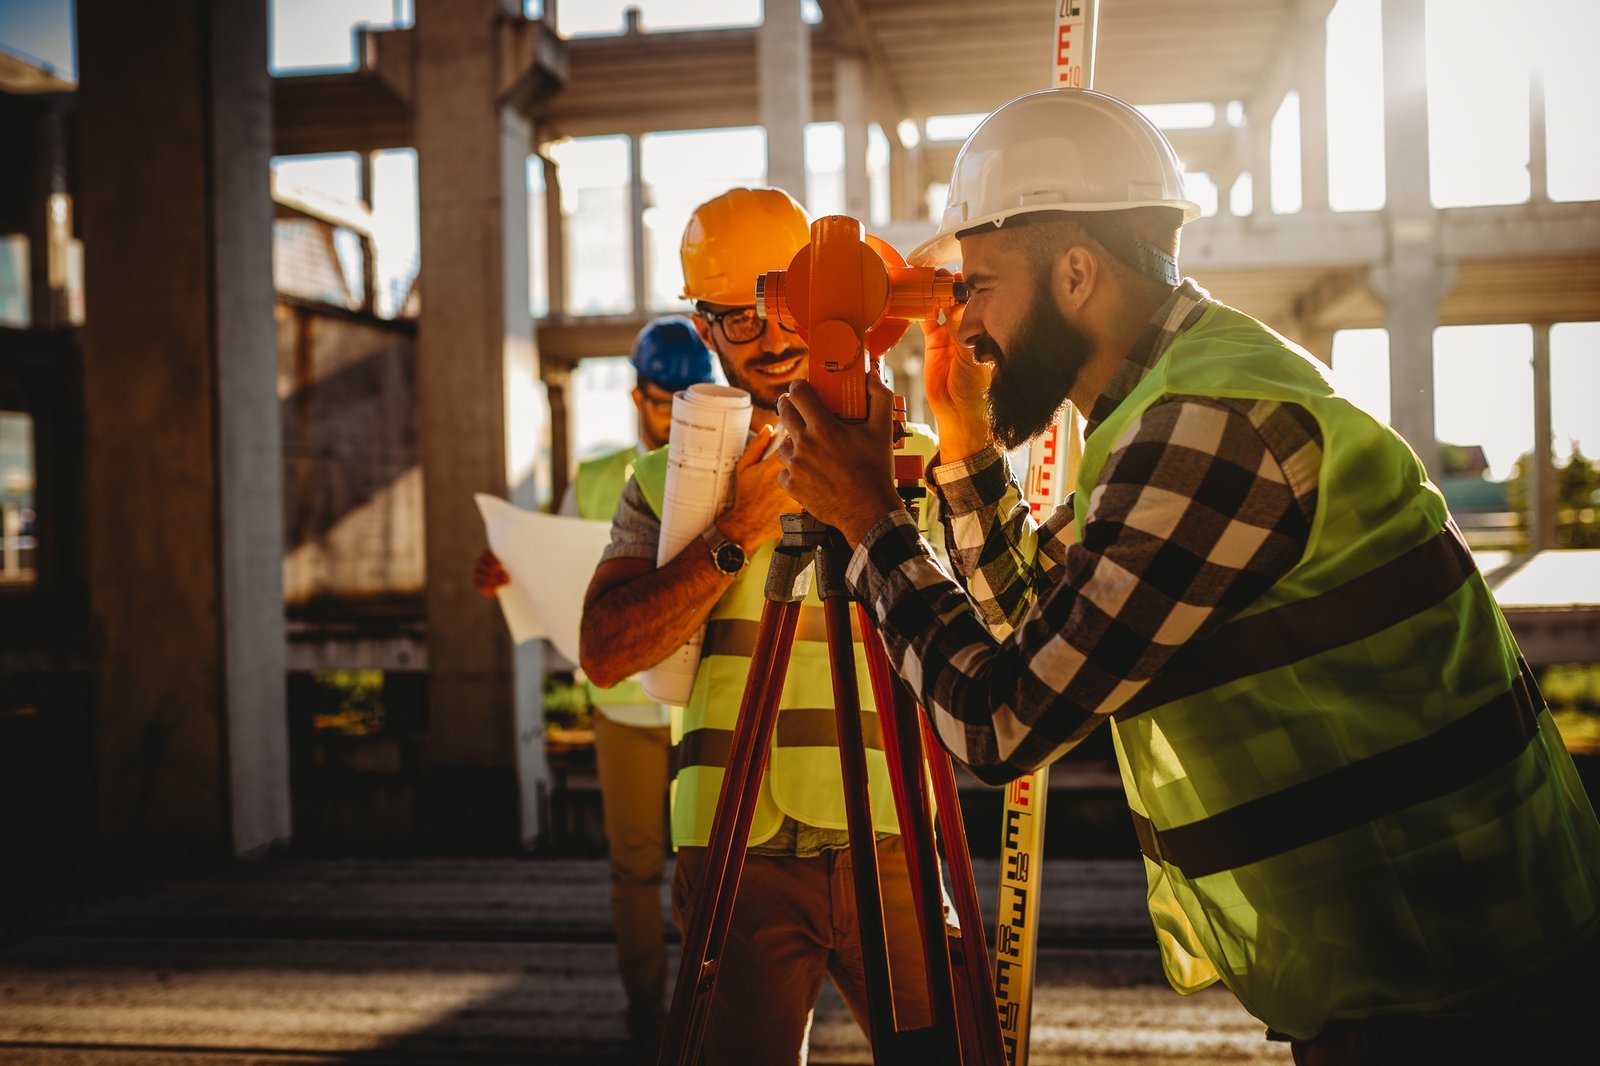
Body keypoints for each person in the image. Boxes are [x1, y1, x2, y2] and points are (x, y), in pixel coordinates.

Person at [773, 88, 1600, 1064]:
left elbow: (1001, 722)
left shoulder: (1202, 425)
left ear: (1076, 271)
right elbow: (1039, 622)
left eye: (980, 285)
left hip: (1457, 973)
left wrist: (869, 519)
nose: (969, 323)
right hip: (1417, 954)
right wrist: (961, 443)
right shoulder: (1173, 405)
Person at [578, 186, 942, 1064]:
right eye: (742, 319)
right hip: (735, 846)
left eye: (788, 302)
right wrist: (731, 533)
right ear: (704, 329)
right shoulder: (667, 481)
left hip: (892, 834)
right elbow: (606, 652)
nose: (777, 336)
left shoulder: (917, 459)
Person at [475, 314, 717, 1053]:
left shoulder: (731, 468)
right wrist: (506, 572)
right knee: (636, 870)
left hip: (707, 700)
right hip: (625, 704)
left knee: (718, 872)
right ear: (637, 396)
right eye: (659, 399)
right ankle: (649, 1015)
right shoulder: (599, 478)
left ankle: (712, 1012)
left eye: (687, 400)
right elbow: (548, 562)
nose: (672, 416)